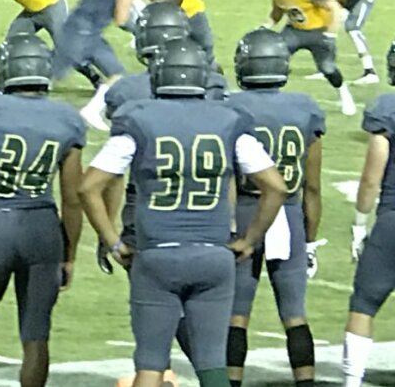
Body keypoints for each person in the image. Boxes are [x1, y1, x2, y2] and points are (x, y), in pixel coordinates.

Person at [79, 38, 287, 387]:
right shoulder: (228, 119)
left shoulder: (138, 118)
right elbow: (276, 187)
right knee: (211, 363)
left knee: (150, 363)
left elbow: (88, 187)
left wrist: (113, 242)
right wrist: (249, 239)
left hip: (156, 254)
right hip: (213, 255)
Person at [0, 34, 85, 387]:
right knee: (36, 335)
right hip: (43, 227)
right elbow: (73, 198)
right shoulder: (65, 118)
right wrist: (69, 254)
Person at [227, 29, 326, 387]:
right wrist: (310, 240)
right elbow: (313, 186)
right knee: (295, 315)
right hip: (289, 214)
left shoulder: (230, 105)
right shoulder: (304, 108)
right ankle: (306, 382)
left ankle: (232, 382)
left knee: (236, 316)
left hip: (245, 211)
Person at [55, 0, 159, 132]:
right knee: (49, 73)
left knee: (116, 74)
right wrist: (140, 30)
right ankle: (91, 111)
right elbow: (121, 18)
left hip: (86, 29)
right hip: (83, 31)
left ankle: (92, 110)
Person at [342, 42, 395, 387]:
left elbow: (372, 177)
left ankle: (352, 382)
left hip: (392, 221)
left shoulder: (387, 109)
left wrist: (360, 224)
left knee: (364, 302)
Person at [264, 0, 356, 116]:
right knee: (273, 60)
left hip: (319, 31)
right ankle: (270, 99)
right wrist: (265, 26)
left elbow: (333, 7)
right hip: (295, 30)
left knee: (327, 68)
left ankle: (344, 93)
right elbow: (277, 12)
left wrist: (330, 35)